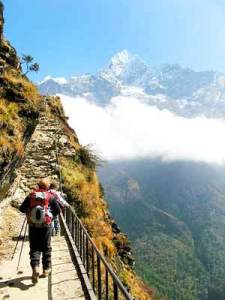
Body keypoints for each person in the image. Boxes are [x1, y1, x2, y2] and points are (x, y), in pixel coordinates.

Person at [19, 178, 60, 284]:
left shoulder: (31, 195)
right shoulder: (50, 197)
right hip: (46, 226)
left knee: (34, 248)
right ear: (47, 187)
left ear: (38, 186)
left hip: (33, 226)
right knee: (46, 247)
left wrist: (29, 211)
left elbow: (22, 209)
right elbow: (57, 210)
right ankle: (46, 270)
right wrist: (50, 217)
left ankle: (35, 268)